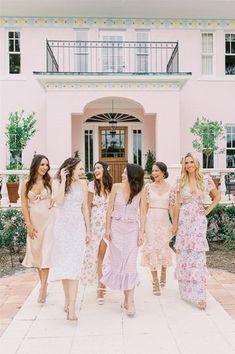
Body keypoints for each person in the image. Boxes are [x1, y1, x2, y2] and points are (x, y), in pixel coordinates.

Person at [172, 152, 220, 310]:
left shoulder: (205, 179)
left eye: (191, 162)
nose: (189, 165)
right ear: (184, 165)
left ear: (196, 163)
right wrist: (174, 224)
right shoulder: (180, 180)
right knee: (185, 255)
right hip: (185, 221)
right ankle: (185, 291)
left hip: (198, 221)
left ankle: (200, 296)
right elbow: (177, 204)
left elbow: (217, 197)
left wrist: (206, 211)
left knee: (198, 256)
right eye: (186, 163)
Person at [101, 163, 147, 317]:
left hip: (132, 230)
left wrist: (141, 232)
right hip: (116, 229)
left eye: (125, 173)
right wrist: (107, 229)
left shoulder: (141, 191)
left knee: (130, 264)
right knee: (119, 264)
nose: (122, 175)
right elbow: (109, 209)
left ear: (133, 176)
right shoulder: (116, 187)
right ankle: (126, 297)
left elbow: (143, 214)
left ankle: (130, 301)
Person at [51, 157, 91, 321]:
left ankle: (72, 307)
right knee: (64, 265)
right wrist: (63, 179)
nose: (82, 172)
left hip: (77, 229)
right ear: (70, 169)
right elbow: (59, 201)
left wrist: (88, 230)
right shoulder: (56, 182)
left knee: (74, 266)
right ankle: (67, 300)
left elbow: (85, 208)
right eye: (80, 169)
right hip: (62, 229)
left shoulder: (83, 184)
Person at [21, 154, 55, 303]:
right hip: (34, 223)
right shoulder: (26, 183)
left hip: (49, 222)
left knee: (46, 253)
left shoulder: (50, 181)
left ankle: (43, 288)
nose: (45, 168)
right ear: (35, 165)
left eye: (46, 165)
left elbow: (58, 197)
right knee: (36, 254)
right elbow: (23, 205)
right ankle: (43, 283)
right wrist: (28, 224)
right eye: (42, 164)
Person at [81, 161, 113, 305]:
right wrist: (87, 228)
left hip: (109, 224)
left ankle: (106, 281)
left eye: (99, 168)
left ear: (106, 170)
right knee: (99, 254)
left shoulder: (112, 186)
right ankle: (100, 286)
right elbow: (87, 207)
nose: (96, 170)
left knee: (107, 255)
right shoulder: (91, 186)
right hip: (95, 224)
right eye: (94, 169)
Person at [141, 162, 173, 296]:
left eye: (157, 171)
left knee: (164, 248)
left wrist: (174, 224)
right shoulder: (147, 187)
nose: (154, 173)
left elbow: (172, 208)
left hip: (164, 221)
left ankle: (164, 271)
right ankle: (155, 281)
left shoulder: (171, 188)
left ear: (163, 172)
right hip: (151, 221)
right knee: (152, 249)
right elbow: (143, 209)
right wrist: (142, 227)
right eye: (153, 171)